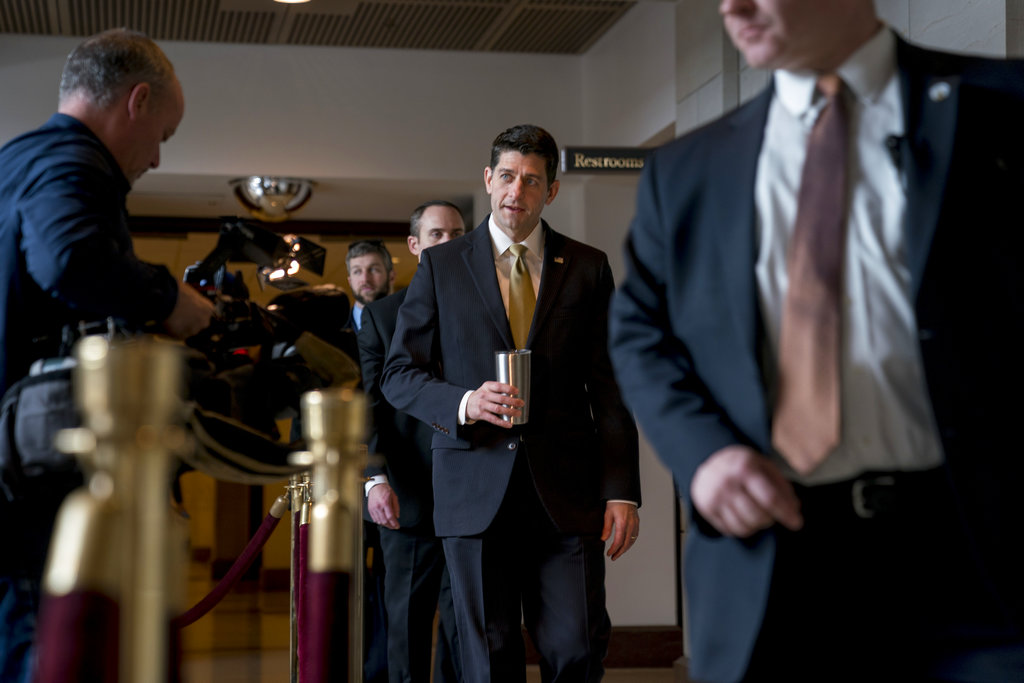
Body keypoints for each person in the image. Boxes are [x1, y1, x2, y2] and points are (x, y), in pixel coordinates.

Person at [608, 1, 1024, 681]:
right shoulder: (686, 170)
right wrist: (703, 455)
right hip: (773, 564)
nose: (731, 7)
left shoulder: (1004, 105)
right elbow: (639, 331)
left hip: (980, 551)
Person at [381, 124, 641, 682]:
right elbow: (398, 374)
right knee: (488, 655)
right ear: (487, 178)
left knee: (577, 647)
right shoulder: (442, 266)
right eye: (505, 177)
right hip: (472, 487)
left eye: (530, 180)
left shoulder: (589, 267)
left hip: (567, 494)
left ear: (550, 191)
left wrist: (622, 491)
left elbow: (613, 386)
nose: (514, 192)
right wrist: (465, 403)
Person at [0, 28, 214, 681]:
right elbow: (69, 258)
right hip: (32, 483)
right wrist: (164, 298)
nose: (155, 158)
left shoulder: (15, 161)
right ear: (137, 99)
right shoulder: (73, 163)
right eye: (162, 137)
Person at [359, 200, 467, 683]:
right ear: (415, 245)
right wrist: (374, 480)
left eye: (457, 234)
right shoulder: (381, 317)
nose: (448, 243)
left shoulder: (489, 306)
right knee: (406, 628)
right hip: (406, 496)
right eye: (437, 234)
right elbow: (369, 408)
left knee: (465, 633)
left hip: (472, 496)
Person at [346, 239, 396, 332]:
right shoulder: (329, 333)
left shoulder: (413, 324)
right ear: (350, 281)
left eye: (373, 270)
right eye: (357, 271)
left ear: (391, 277)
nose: (365, 279)